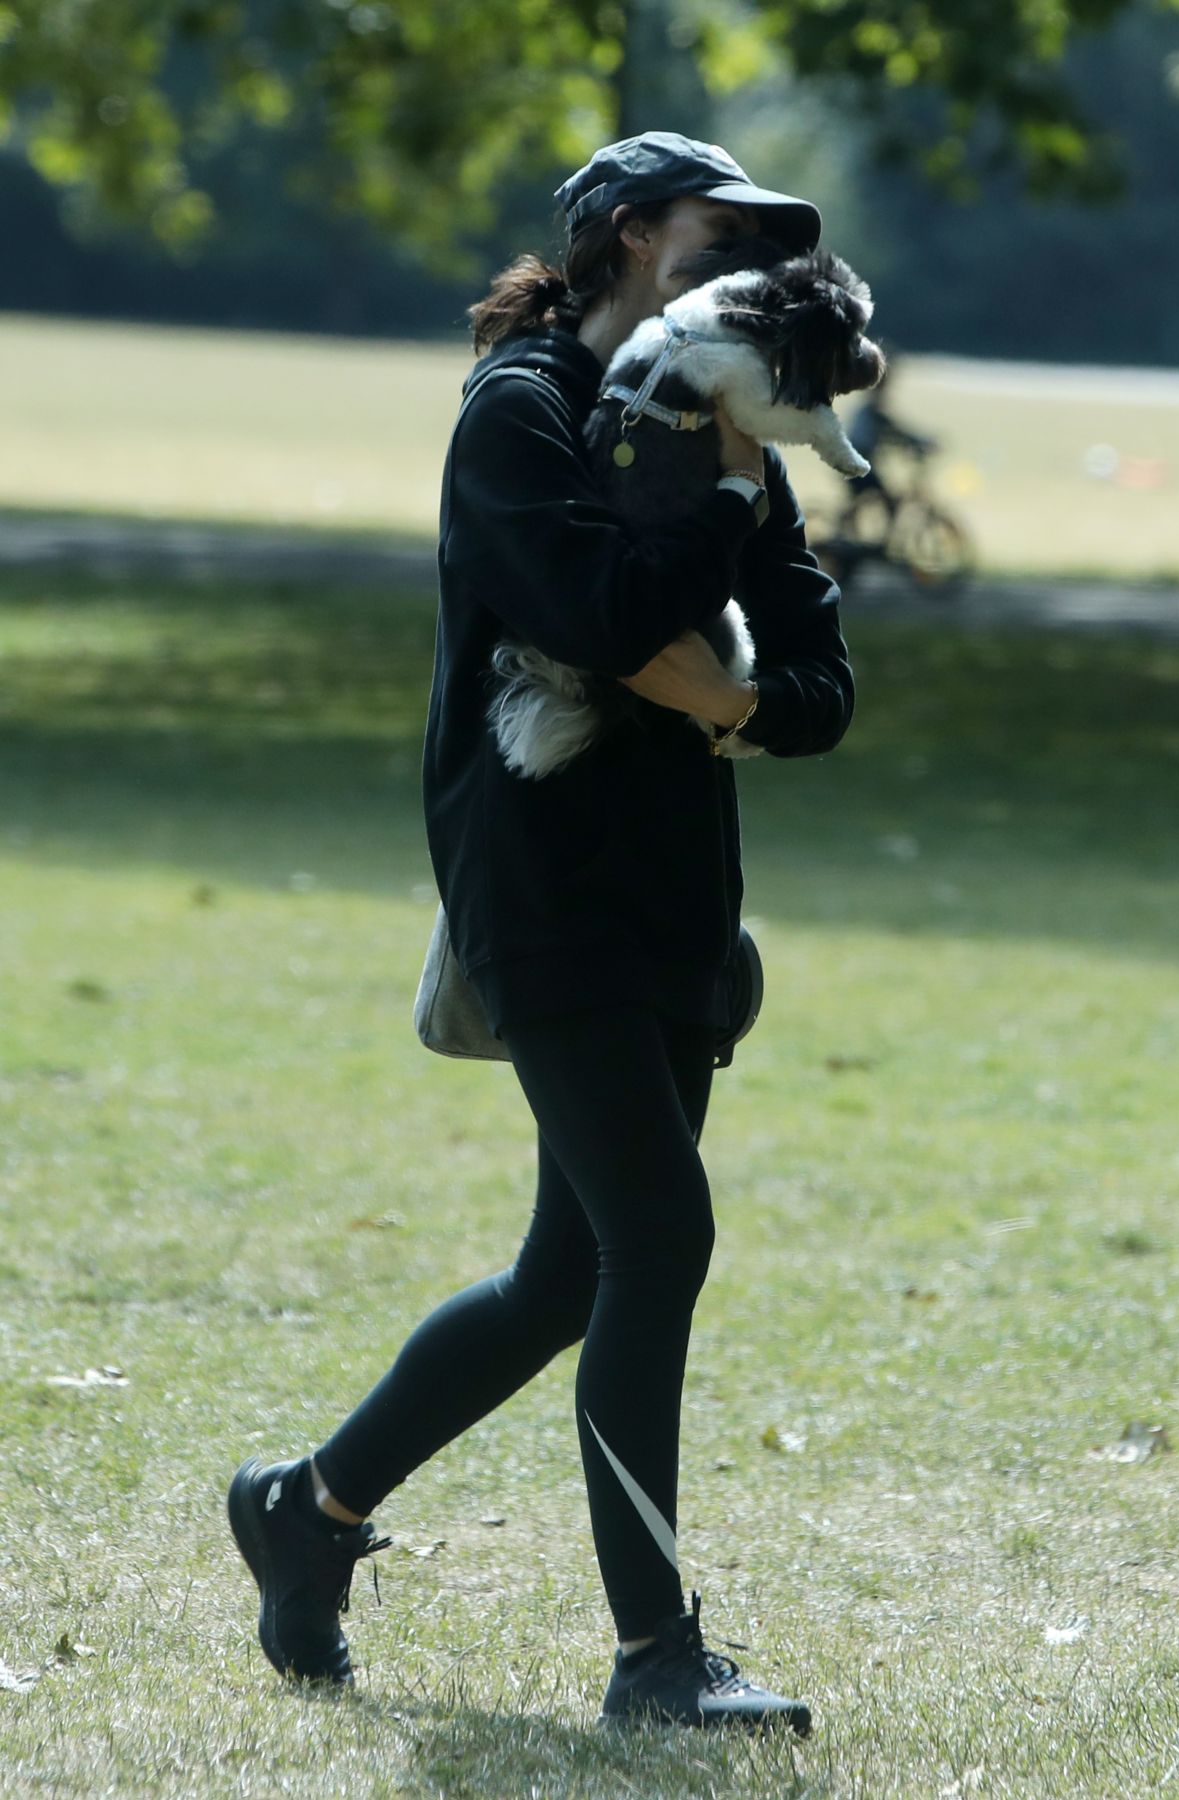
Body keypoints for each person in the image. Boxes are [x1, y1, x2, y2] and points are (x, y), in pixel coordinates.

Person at [227, 129, 855, 1732]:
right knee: (662, 1240)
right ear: (635, 241)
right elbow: (586, 616)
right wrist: (714, 518)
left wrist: (740, 706)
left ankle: (312, 1508)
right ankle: (659, 1657)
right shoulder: (524, 414)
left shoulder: (737, 438)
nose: (758, 265)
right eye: (728, 234)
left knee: (566, 1276)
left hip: (675, 907)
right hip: (541, 894)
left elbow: (818, 687)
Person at [845, 357, 937, 522]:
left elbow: (892, 432)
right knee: (887, 501)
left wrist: (909, 443)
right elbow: (895, 430)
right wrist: (917, 443)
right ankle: (878, 543)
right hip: (857, 466)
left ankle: (870, 537)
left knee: (879, 499)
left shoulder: (871, 407)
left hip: (855, 463)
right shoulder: (874, 409)